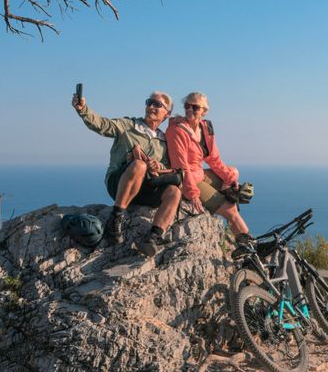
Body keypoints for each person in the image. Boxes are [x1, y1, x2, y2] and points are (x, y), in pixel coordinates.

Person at [72, 90, 180, 256]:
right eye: (149, 102)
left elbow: (167, 169)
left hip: (145, 188)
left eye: (157, 104)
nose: (151, 106)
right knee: (138, 165)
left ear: (167, 114)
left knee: (174, 192)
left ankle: (153, 237)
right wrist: (83, 109)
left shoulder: (163, 141)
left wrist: (158, 167)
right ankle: (115, 219)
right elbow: (102, 125)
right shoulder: (128, 126)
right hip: (119, 182)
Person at [165, 92, 253, 253]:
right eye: (187, 106)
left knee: (233, 172)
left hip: (199, 173)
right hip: (186, 180)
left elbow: (214, 159)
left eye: (195, 107)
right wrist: (192, 194)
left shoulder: (205, 128)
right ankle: (248, 245)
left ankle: (225, 196)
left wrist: (230, 179)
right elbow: (181, 166)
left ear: (204, 111)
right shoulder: (176, 130)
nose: (190, 109)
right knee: (230, 209)